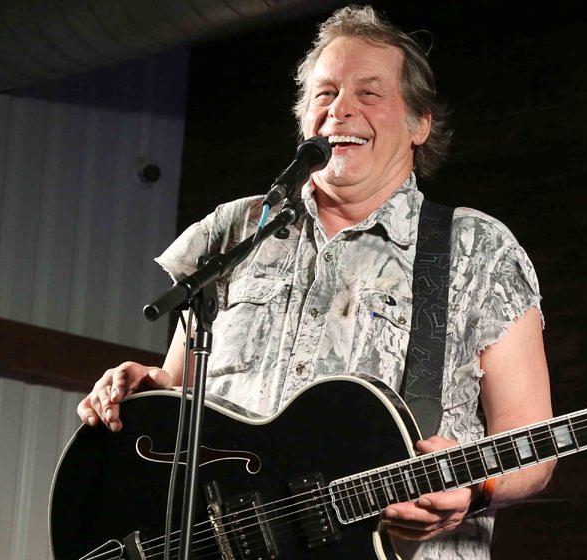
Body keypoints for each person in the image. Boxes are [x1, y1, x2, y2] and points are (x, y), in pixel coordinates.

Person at [76, 5, 554, 559]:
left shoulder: (477, 248)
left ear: (419, 123)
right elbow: (179, 394)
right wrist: (143, 388)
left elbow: (532, 446)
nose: (340, 109)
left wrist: (475, 490)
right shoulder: (236, 229)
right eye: (325, 93)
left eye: (369, 93)